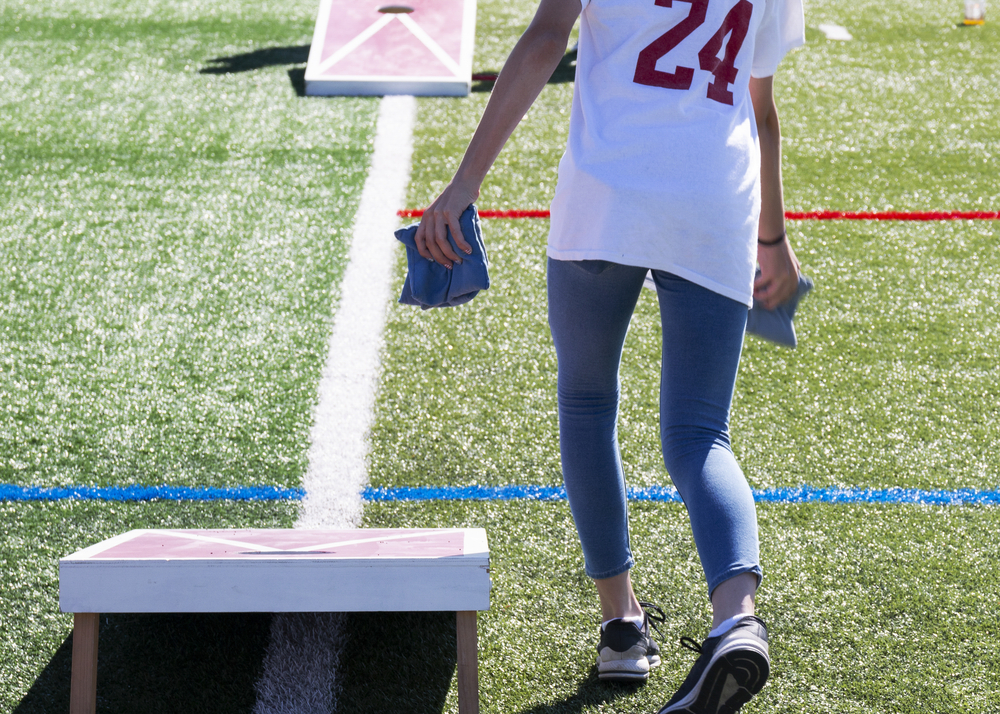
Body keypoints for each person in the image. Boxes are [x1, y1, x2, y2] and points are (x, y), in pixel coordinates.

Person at [414, 0, 804, 711]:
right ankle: (737, 620)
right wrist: (773, 241)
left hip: (608, 192)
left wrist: (467, 180)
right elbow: (762, 105)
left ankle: (620, 627)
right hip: (716, 199)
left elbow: (544, 38)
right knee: (699, 435)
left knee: (587, 402)